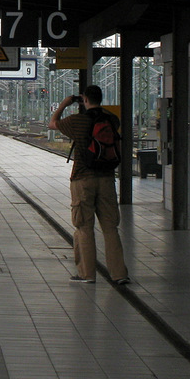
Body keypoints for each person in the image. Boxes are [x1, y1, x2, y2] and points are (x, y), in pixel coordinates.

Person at [49, 85, 130, 285]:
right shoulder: (111, 119)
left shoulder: (77, 120)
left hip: (82, 178)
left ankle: (87, 274)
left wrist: (64, 104)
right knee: (111, 227)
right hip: (107, 178)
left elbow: (52, 123)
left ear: (84, 99)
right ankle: (119, 274)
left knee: (84, 227)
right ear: (100, 98)